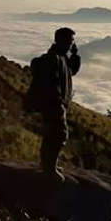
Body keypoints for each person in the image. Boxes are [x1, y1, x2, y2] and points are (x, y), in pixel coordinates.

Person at [37, 26, 81, 183]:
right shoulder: (54, 58)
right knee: (59, 134)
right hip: (54, 104)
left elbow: (72, 71)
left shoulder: (62, 57)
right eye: (69, 41)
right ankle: (49, 169)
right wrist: (58, 103)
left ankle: (47, 165)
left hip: (56, 103)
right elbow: (51, 84)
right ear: (61, 40)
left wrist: (75, 54)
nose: (71, 44)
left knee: (51, 134)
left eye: (72, 42)